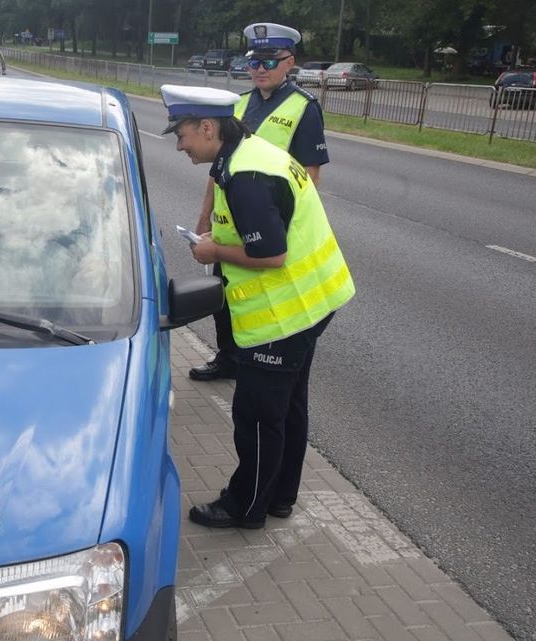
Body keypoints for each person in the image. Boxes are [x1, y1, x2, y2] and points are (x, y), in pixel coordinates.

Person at [160, 84, 355, 528]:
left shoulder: (246, 175)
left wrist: (212, 253)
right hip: (314, 300)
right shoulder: (248, 153)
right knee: (288, 407)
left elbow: (271, 254)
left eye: (182, 134)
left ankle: (245, 507)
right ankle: (280, 495)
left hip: (285, 315)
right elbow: (259, 229)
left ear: (208, 128)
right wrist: (219, 238)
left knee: (257, 416)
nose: (179, 145)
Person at [189, 22, 330, 383]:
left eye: (270, 62)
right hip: (228, 223)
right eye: (254, 62)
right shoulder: (237, 105)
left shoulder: (303, 108)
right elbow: (218, 168)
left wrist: (278, 227)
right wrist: (204, 216)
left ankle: (258, 359)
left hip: (266, 224)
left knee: (262, 299)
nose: (260, 70)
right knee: (226, 295)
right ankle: (229, 357)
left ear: (290, 63)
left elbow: (310, 177)